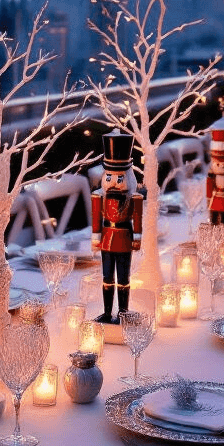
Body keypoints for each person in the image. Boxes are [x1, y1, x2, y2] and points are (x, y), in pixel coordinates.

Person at [90, 130, 142, 325]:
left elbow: (137, 219)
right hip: (106, 239)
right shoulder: (99, 197)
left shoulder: (134, 199)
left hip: (124, 239)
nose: (113, 182)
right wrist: (96, 238)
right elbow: (96, 220)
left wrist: (137, 238)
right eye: (109, 176)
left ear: (128, 178)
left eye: (119, 178)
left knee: (124, 278)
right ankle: (106, 312)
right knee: (106, 277)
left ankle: (123, 312)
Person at [205, 120, 224, 228]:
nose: (222, 165)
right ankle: (214, 231)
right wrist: (209, 199)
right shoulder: (212, 176)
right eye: (218, 163)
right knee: (214, 219)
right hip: (216, 199)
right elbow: (209, 188)